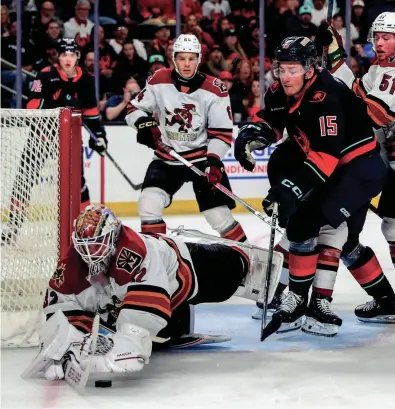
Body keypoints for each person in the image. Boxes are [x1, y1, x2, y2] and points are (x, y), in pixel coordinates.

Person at [234, 36, 387, 338]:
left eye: (293, 70)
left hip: (359, 169)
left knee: (310, 225)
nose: (286, 76)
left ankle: (304, 302)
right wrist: (256, 132)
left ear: (309, 68)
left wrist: (290, 189)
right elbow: (274, 120)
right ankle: (384, 300)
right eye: (282, 68)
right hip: (334, 165)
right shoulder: (282, 87)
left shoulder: (326, 95)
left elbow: (326, 156)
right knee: (343, 239)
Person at [23, 204, 278, 380]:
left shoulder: (135, 251)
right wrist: (61, 345)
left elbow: (141, 317)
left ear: (112, 237)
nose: (91, 253)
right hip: (132, 297)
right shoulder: (73, 262)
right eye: (85, 246)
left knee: (232, 272)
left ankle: (259, 269)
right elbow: (60, 305)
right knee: (165, 331)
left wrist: (125, 346)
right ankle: (175, 325)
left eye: (98, 244)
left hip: (180, 270)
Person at [125, 34, 248, 243]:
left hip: (201, 159)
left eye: (191, 58)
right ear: (174, 59)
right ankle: (158, 256)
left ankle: (245, 255)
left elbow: (222, 133)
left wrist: (215, 161)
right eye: (182, 58)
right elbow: (132, 109)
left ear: (199, 59)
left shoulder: (215, 89)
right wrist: (144, 124)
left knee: (218, 216)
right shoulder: (158, 80)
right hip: (167, 157)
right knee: (148, 204)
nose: (187, 64)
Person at [312, 11, 395, 321]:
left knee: (392, 227)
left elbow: (372, 114)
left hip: (380, 163)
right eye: (377, 37)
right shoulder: (380, 70)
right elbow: (355, 93)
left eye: (387, 37)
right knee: (347, 238)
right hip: (380, 163)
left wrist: (327, 86)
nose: (379, 43)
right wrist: (334, 55)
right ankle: (386, 298)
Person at [1, 38, 107, 245]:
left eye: (71, 55)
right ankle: (13, 226)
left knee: (78, 182)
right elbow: (32, 105)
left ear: (77, 56)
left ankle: (84, 226)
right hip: (43, 134)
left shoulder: (86, 79)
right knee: (24, 178)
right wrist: (57, 103)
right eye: (64, 55)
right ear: (57, 57)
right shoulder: (46, 75)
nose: (68, 59)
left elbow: (91, 112)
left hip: (71, 136)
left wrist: (100, 136)